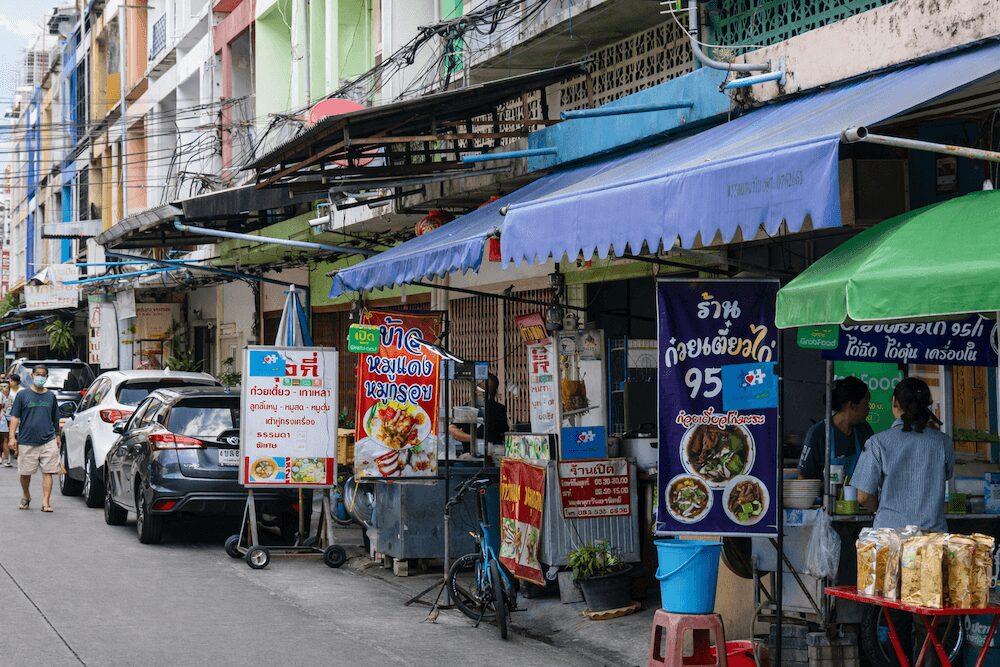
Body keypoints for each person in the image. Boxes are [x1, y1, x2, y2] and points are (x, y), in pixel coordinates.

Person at [852, 377, 953, 531]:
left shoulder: (877, 442)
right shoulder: (943, 442)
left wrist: (881, 508)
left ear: (895, 402)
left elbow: (863, 496)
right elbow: (945, 475)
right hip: (932, 538)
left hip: (890, 535)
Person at [798, 376, 874, 481]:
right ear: (852, 405)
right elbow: (803, 478)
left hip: (858, 497)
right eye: (866, 403)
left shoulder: (865, 430)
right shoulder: (818, 433)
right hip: (827, 497)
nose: (868, 409)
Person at [9, 365, 61, 512]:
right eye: (38, 374)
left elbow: (55, 418)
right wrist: (12, 437)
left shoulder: (50, 396)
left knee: (48, 472)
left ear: (46, 377)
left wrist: (57, 436)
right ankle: (26, 495)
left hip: (48, 439)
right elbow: (15, 417)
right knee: (25, 473)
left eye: (43, 375)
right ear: (32, 375)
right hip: (26, 441)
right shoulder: (22, 395)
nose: (40, 377)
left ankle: (45, 502)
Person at [448, 373, 510, 450]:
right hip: (469, 454)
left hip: (493, 454)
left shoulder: (499, 409)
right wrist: (474, 440)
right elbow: (452, 428)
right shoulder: (466, 408)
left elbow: (504, 434)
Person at [0, 379, 11, 466]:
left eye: (5, 387)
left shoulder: (9, 396)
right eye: (1, 387)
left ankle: (7, 459)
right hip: (2, 420)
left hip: (6, 420)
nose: (3, 388)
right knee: (5, 439)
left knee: (5, 439)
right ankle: (7, 459)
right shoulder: (0, 396)